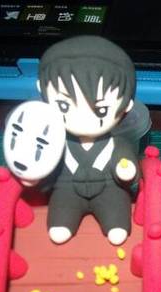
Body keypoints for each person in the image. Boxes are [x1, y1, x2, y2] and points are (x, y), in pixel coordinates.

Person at [38, 35, 139, 246]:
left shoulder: (116, 142)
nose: (82, 119)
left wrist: (125, 168)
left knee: (117, 225)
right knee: (59, 226)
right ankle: (64, 221)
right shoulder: (55, 140)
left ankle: (115, 222)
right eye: (64, 105)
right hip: (66, 188)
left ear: (126, 107)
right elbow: (44, 162)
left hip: (110, 188)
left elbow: (125, 157)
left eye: (101, 110)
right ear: (42, 91)